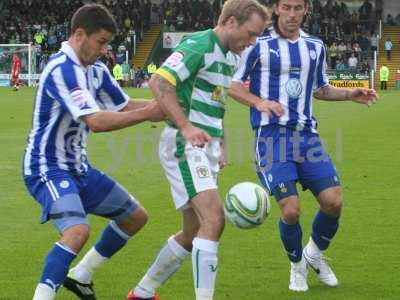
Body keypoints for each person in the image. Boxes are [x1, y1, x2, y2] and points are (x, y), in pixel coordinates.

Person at [229, 0, 378, 293]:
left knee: (333, 202)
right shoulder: (257, 45)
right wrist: (259, 102)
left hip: (307, 136)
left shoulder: (315, 46)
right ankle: (297, 265)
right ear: (276, 8)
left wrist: (350, 94)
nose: (292, 14)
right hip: (271, 136)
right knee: (291, 210)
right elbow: (233, 86)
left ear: (306, 9)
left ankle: (314, 254)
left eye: (298, 7)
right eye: (287, 7)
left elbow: (321, 88)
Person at [125, 1, 268, 299]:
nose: (253, 41)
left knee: (193, 232)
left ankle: (142, 292)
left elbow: (216, 104)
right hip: (184, 143)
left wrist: (222, 144)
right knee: (214, 219)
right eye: (251, 33)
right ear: (230, 22)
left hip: (207, 147)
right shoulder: (199, 44)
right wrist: (187, 128)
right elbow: (159, 81)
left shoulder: (230, 57)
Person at [22, 4, 164, 300]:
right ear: (79, 35)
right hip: (46, 167)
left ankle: (82, 275)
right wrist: (151, 112)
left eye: (107, 43)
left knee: (135, 217)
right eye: (101, 42)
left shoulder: (95, 70)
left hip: (79, 169)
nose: (104, 50)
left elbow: (124, 105)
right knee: (77, 231)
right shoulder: (62, 69)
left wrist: (166, 107)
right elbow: (97, 122)